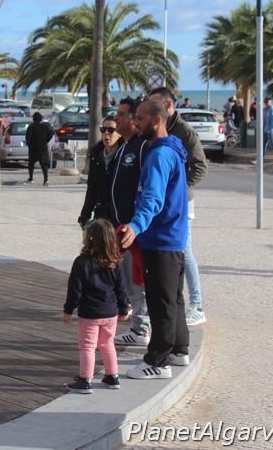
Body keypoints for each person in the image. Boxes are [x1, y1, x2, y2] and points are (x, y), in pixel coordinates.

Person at [119, 100, 190, 380]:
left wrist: (136, 226)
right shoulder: (171, 148)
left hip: (161, 238)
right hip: (171, 237)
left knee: (161, 302)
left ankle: (158, 361)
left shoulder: (160, 154)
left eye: (140, 118)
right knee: (173, 298)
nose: (134, 123)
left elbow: (152, 198)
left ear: (157, 120)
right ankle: (179, 350)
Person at [148, 87, 208, 327]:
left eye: (155, 104)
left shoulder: (185, 131)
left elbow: (201, 167)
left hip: (182, 203)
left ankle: (198, 305)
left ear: (169, 104)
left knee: (184, 250)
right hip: (163, 202)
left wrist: (178, 189)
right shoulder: (157, 129)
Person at [63, 218, 130, 394]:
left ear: (89, 238)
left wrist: (68, 309)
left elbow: (75, 289)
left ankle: (85, 379)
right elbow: (121, 289)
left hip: (90, 313)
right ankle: (112, 376)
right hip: (110, 312)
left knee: (87, 346)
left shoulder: (81, 262)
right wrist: (123, 308)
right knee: (107, 344)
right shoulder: (115, 261)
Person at [110, 98, 151, 346]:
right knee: (127, 280)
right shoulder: (123, 146)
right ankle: (138, 327)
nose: (117, 118)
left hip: (134, 229)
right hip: (120, 227)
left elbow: (147, 189)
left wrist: (136, 224)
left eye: (122, 114)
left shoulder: (142, 147)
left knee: (138, 282)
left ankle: (142, 329)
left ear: (134, 119)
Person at [78, 116, 122, 227]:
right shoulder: (96, 155)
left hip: (120, 216)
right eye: (103, 129)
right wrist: (85, 215)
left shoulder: (125, 154)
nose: (106, 133)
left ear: (119, 133)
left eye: (111, 130)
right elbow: (92, 188)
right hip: (101, 215)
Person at [25, 111, 54, 186]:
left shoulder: (31, 127)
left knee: (31, 163)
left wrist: (29, 143)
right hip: (43, 147)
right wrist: (45, 141)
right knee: (44, 163)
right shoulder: (45, 126)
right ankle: (46, 179)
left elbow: (28, 137)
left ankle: (31, 178)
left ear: (33, 118)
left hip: (33, 147)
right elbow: (51, 134)